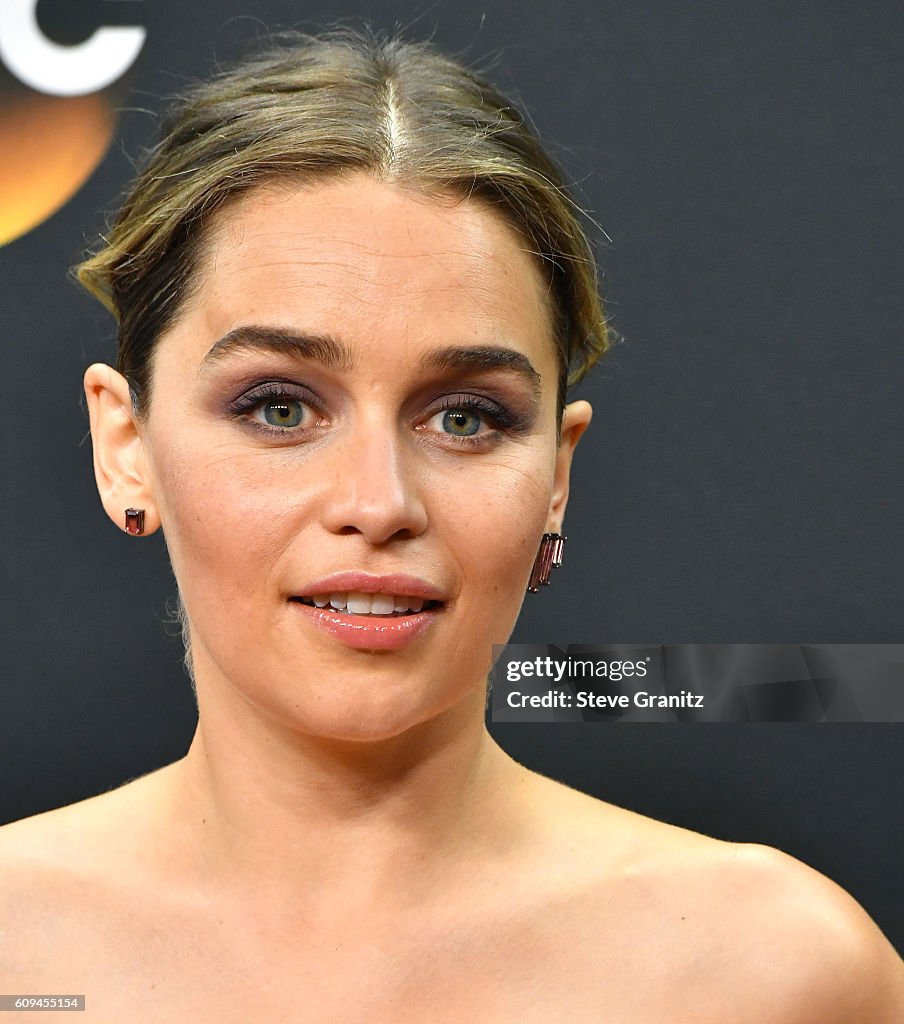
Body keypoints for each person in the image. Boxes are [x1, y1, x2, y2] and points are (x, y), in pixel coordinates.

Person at [1, 25, 902, 1023]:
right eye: (280, 407)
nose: (380, 503)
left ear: (555, 473)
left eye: (465, 417)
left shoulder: (775, 970)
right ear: (125, 443)